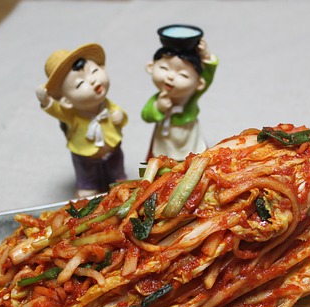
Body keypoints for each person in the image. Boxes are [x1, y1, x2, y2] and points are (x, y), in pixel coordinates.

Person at [36, 43, 127, 197]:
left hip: (112, 149)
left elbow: (120, 114)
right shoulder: (70, 114)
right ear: (66, 101)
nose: (92, 81)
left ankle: (119, 181)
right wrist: (46, 102)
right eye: (80, 83)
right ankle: (88, 186)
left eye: (94, 71)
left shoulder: (107, 105)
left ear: (103, 68)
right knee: (87, 177)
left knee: (116, 171)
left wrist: (120, 116)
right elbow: (55, 110)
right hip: (85, 155)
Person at [142, 25, 218, 160]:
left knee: (195, 160)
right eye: (164, 68)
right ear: (150, 67)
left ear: (199, 83)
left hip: (188, 133)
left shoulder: (192, 96)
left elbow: (208, 77)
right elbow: (146, 115)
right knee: (160, 161)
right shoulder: (159, 98)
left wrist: (206, 57)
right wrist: (158, 107)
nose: (170, 77)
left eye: (183, 75)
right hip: (164, 137)